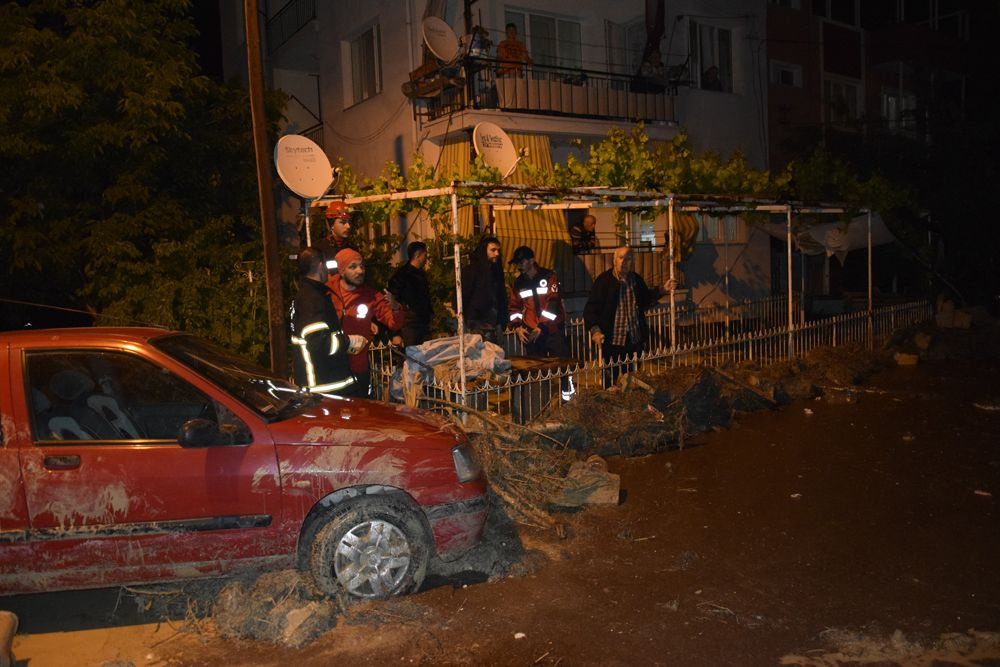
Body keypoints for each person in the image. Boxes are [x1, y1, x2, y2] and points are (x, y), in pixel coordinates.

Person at [583, 246, 676, 387]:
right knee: (610, 379)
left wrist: (663, 290)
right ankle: (611, 402)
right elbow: (591, 309)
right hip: (612, 340)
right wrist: (595, 330)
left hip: (633, 339)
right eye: (621, 258)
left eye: (628, 259)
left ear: (632, 261)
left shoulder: (636, 280)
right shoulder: (604, 281)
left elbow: (645, 299)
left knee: (633, 378)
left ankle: (631, 401)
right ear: (614, 261)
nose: (624, 262)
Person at [328, 248, 403, 397]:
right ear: (341, 271)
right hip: (332, 367)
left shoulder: (371, 296)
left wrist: (395, 308)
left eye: (362, 266)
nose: (360, 271)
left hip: (358, 368)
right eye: (353, 266)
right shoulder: (327, 292)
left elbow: (393, 323)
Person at [289, 247, 363, 396]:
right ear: (321, 265)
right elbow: (318, 343)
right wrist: (348, 342)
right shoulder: (313, 299)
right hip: (325, 388)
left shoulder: (307, 296)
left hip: (323, 385)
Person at [507, 245, 575, 400]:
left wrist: (541, 326)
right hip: (532, 332)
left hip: (552, 330)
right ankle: (542, 403)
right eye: (517, 263)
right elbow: (514, 308)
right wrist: (518, 327)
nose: (519, 266)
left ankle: (568, 401)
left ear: (531, 260)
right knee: (537, 371)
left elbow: (552, 304)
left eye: (521, 262)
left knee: (563, 366)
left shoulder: (549, 276)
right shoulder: (518, 284)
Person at [460, 235, 507, 342]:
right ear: (483, 250)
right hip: (476, 325)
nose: (497, 254)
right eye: (493, 250)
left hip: (493, 325)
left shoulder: (496, 272)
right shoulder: (471, 271)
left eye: (498, 250)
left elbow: (501, 298)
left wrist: (500, 324)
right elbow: (463, 296)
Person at [388, 241, 433, 347]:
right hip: (409, 325)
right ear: (418, 255)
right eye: (425, 255)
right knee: (408, 357)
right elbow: (392, 303)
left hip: (421, 324)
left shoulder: (420, 275)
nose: (426, 259)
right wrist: (396, 333)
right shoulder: (402, 276)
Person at [316, 200, 356, 272]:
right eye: (343, 222)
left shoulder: (352, 249)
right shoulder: (319, 249)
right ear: (332, 225)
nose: (348, 226)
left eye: (349, 222)